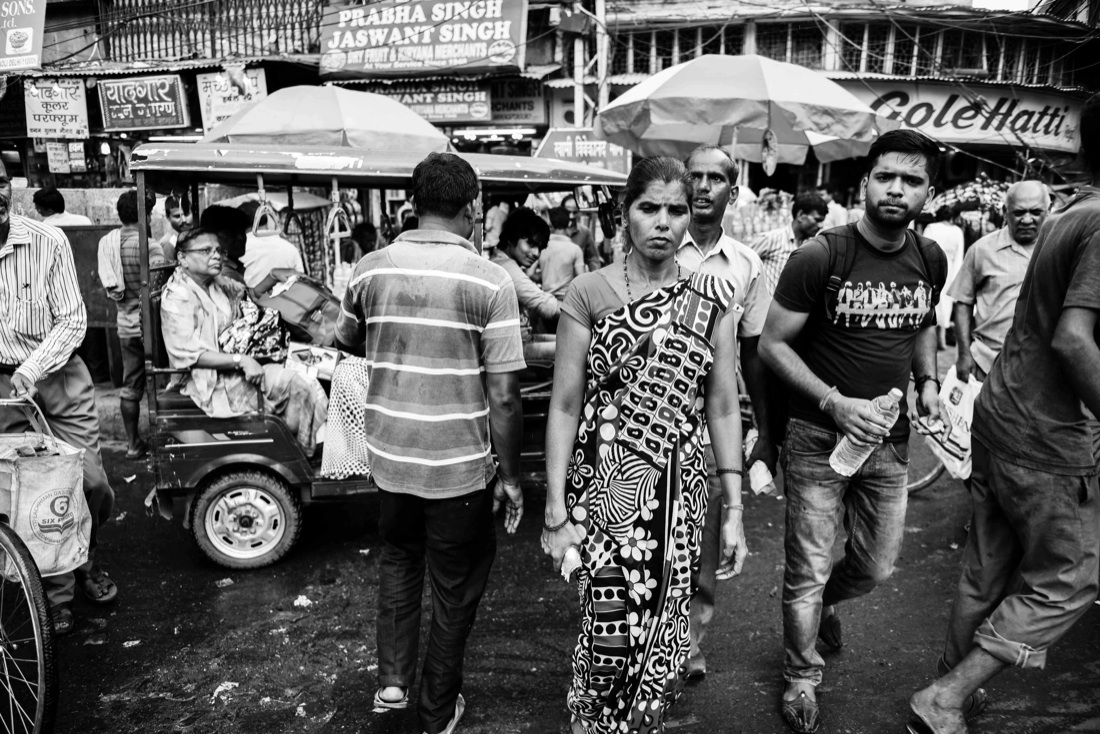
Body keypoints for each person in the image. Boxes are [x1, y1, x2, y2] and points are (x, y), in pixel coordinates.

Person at [908, 94, 1100, 734]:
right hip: (1048, 438)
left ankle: (949, 677)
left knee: (987, 568)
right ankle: (945, 695)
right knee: (1069, 580)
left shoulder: (1069, 216)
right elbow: (1074, 339)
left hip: (1003, 417)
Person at [541, 156, 748, 734]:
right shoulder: (588, 292)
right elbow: (564, 405)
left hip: (680, 499)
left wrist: (734, 513)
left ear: (691, 217)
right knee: (604, 630)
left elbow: (724, 407)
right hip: (603, 495)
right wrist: (555, 509)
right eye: (648, 207)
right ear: (624, 213)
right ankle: (592, 721)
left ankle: (641, 724)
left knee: (664, 629)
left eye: (676, 210)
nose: (663, 222)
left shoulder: (711, 302)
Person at [759, 129, 946, 734]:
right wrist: (834, 403)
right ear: (864, 183)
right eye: (886, 176)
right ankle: (801, 676)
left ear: (928, 193)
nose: (898, 189)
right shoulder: (822, 255)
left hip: (889, 442)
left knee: (877, 565)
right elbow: (772, 346)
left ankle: (831, 604)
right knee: (807, 568)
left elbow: (922, 323)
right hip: (817, 438)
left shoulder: (930, 258)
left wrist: (927, 382)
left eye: (912, 180)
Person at [335, 152, 525, 734]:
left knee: (399, 559)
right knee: (455, 586)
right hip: (457, 470)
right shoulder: (490, 280)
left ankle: (393, 681)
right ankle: (437, 707)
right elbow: (506, 397)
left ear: (413, 206)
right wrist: (512, 478)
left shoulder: (368, 269)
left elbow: (346, 344)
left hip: (390, 459)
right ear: (473, 207)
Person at [0, 164, 117, 636]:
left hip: (57, 374)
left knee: (89, 484)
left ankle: (84, 557)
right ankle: (51, 595)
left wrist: (31, 369)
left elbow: (71, 320)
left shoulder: (45, 240)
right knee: (21, 494)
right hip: (2, 385)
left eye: (0, 181)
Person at [675, 144, 773, 680]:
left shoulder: (747, 264)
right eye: (696, 175)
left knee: (708, 533)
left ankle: (689, 642)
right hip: (654, 412)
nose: (704, 186)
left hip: (716, 414)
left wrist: (763, 425)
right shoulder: (656, 247)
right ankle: (649, 635)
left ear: (732, 192)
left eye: (716, 178)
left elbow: (755, 349)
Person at [160, 228, 327, 455]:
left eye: (219, 250)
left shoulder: (214, 284)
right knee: (299, 384)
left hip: (235, 367)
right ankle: (299, 451)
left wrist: (275, 277)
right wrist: (241, 360)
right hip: (207, 382)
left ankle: (307, 448)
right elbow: (187, 354)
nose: (216, 255)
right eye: (206, 250)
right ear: (182, 258)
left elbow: (249, 300)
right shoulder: (177, 295)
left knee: (314, 374)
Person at [948, 181, 1050, 383]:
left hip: (1040, 368)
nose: (1027, 219)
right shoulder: (982, 250)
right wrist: (964, 354)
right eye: (1019, 213)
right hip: (986, 362)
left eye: (1035, 212)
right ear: (1005, 212)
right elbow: (963, 303)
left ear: (1048, 211)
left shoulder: (1058, 249)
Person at [100, 189, 167, 459]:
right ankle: (163, 443)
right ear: (145, 214)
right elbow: (157, 287)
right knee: (161, 382)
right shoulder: (149, 245)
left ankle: (132, 444)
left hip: (125, 326)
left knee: (131, 386)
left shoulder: (108, 243)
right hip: (150, 327)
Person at [489, 207, 558, 362]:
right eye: (531, 244)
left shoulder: (504, 262)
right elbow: (544, 305)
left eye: (540, 248)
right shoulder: (506, 267)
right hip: (515, 349)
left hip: (522, 341)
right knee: (579, 347)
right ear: (511, 238)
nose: (536, 253)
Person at [750, 193, 830, 294]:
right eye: (817, 220)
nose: (821, 225)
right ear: (800, 215)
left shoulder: (812, 247)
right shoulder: (770, 239)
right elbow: (743, 268)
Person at [237, 200, 306, 289]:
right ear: (267, 219)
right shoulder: (290, 248)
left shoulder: (239, 249)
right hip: (288, 301)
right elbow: (301, 282)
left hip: (252, 301)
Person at [924, 210, 966, 349]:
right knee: (945, 302)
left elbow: (924, 250)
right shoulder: (957, 231)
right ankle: (941, 338)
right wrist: (956, 277)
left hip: (933, 266)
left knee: (932, 301)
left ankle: (933, 338)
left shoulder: (931, 228)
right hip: (950, 268)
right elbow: (959, 255)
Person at [539, 207, 586, 301]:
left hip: (546, 301)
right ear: (569, 223)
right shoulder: (575, 249)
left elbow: (530, 273)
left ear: (550, 224)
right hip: (567, 301)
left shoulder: (541, 247)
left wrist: (547, 276)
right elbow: (582, 279)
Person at [199, 205, 249, 284]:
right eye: (232, 233)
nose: (241, 237)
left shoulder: (233, 268)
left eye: (242, 231)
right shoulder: (225, 275)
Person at [562, 194, 602, 271]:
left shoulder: (585, 232)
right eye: (568, 212)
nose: (571, 216)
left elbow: (593, 258)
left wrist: (594, 275)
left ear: (579, 212)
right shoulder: (554, 231)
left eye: (575, 212)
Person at [158, 193, 192, 260]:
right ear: (168, 217)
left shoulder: (192, 237)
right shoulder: (168, 243)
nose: (184, 220)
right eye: (177, 216)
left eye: (187, 214)